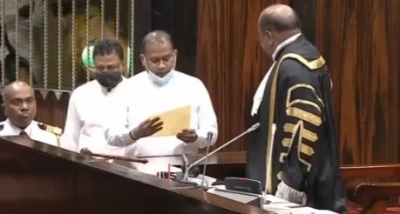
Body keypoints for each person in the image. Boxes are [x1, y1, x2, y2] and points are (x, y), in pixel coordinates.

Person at [247, 4, 347, 213]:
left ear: (268, 35)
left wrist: (290, 183)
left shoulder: (293, 67)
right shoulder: (306, 53)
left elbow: (305, 122)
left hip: (302, 192)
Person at [105, 30, 218, 174]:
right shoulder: (126, 88)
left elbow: (211, 133)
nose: (161, 66)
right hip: (138, 172)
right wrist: (135, 134)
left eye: (167, 58)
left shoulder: (194, 86)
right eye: (154, 60)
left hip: (183, 171)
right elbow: (111, 136)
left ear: (175, 55)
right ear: (143, 59)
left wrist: (196, 137)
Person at [0, 80, 59, 146]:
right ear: (4, 108)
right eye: (17, 102)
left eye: (29, 101)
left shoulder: (50, 137)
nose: (25, 107)